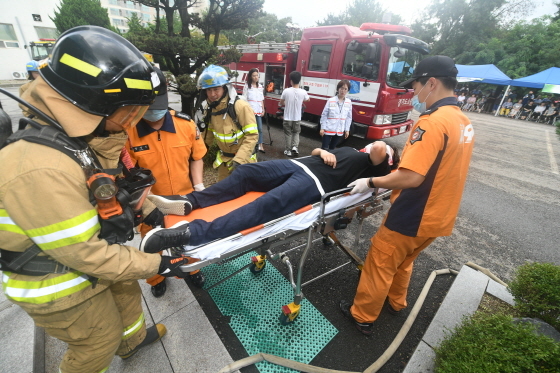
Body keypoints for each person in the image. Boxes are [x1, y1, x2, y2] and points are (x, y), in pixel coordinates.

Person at [0, 26, 194, 372]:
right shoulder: (40, 169)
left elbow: (107, 186)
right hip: (56, 283)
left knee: (126, 294)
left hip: (90, 262)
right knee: (97, 340)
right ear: (91, 103)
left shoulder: (74, 138)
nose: (130, 123)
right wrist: (159, 265)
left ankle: (132, 342)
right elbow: (88, 254)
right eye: (125, 114)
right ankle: (108, 349)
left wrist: (150, 211)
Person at [339, 55, 474, 336]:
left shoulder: (432, 123)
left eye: (416, 86)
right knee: (404, 261)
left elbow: (412, 176)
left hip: (414, 212)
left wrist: (372, 181)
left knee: (381, 261)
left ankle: (362, 316)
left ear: (432, 83)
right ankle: (397, 302)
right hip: (439, 215)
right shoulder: (463, 121)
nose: (414, 93)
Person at [139, 142, 399, 252]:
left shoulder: (376, 167)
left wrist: (388, 152)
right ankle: (191, 202)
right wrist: (321, 151)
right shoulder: (351, 150)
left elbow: (377, 147)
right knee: (247, 172)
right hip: (298, 165)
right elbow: (320, 149)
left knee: (265, 205)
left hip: (316, 184)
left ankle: (192, 233)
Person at [126, 67, 207, 297]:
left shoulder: (185, 124)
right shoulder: (129, 133)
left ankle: (193, 269)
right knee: (152, 244)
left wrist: (199, 187)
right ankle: (156, 278)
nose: (156, 112)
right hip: (150, 205)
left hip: (185, 199)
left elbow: (197, 157)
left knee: (191, 238)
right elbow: (129, 175)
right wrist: (139, 206)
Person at [198, 65, 259, 181]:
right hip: (224, 163)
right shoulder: (210, 109)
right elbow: (208, 135)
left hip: (244, 163)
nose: (212, 94)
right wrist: (195, 153)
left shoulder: (241, 106)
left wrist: (239, 161)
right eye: (208, 90)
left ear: (225, 88)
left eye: (216, 89)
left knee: (245, 196)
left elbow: (252, 136)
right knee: (224, 195)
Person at [280, 71, 310, 156]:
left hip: (287, 117)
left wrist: (286, 102)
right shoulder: (303, 92)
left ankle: (288, 150)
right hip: (297, 118)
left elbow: (281, 102)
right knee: (296, 133)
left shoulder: (286, 91)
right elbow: (308, 99)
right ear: (299, 80)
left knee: (288, 133)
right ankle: (295, 147)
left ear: (291, 81)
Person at [320, 80, 352, 150]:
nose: (343, 90)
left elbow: (349, 117)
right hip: (328, 129)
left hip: (339, 130)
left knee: (332, 149)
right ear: (338, 89)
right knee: (324, 149)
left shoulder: (348, 102)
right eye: (341, 88)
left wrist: (347, 130)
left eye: (345, 89)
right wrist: (322, 128)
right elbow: (324, 115)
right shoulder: (331, 100)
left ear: (348, 90)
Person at [243, 68, 266, 153]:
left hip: (259, 110)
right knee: (251, 129)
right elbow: (244, 99)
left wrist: (263, 110)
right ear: (250, 77)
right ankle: (251, 145)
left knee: (259, 128)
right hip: (250, 111)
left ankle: (260, 145)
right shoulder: (247, 86)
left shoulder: (260, 87)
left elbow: (261, 99)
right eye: (254, 76)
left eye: (257, 75)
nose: (256, 77)